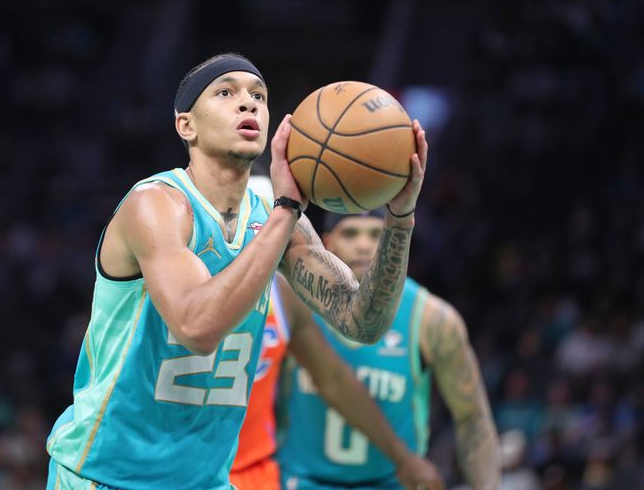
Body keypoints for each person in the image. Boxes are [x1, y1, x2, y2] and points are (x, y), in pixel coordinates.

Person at [45, 52, 428, 489]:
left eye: (258, 96)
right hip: (106, 475)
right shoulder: (156, 205)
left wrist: (401, 219)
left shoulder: (277, 219)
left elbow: (362, 322)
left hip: (206, 481)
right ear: (185, 125)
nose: (248, 103)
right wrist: (286, 210)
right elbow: (197, 325)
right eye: (226, 92)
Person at [230, 178, 442, 490]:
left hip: (252, 472)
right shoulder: (176, 274)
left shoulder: (283, 295)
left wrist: (403, 458)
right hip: (168, 467)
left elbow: (333, 380)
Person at [278, 209, 500, 490]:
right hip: (303, 481)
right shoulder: (291, 303)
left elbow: (472, 417)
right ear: (326, 243)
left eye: (376, 234)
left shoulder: (431, 318)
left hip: (393, 483)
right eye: (350, 233)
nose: (363, 244)